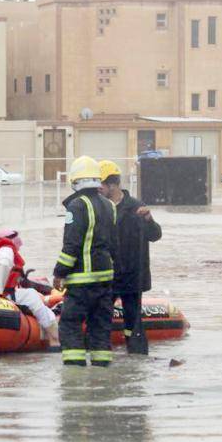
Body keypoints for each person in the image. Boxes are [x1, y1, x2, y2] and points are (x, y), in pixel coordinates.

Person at [53, 156, 118, 367]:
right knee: (100, 328)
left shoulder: (77, 205)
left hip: (82, 281)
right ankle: (102, 374)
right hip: (105, 280)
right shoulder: (110, 206)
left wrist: (59, 272)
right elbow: (113, 244)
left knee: (70, 325)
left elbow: (71, 245)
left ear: (75, 181)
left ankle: (75, 375)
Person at [98, 160, 162, 354]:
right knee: (101, 317)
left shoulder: (136, 208)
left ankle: (136, 359)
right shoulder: (100, 208)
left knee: (133, 321)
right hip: (108, 275)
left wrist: (149, 220)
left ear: (113, 185)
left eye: (101, 185)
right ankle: (102, 356)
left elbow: (155, 235)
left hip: (133, 276)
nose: (98, 189)